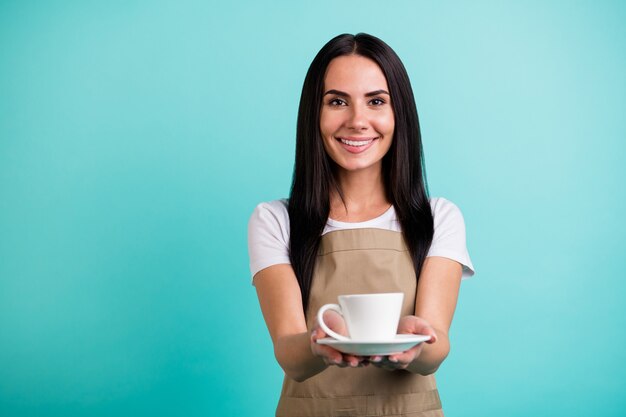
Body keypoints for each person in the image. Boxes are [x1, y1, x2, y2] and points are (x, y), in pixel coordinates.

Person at [248, 33, 474, 417]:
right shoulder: (275, 220)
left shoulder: (438, 218)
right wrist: (320, 343)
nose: (357, 121)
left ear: (398, 113)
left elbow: (436, 352)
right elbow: (290, 353)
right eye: (337, 101)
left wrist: (415, 339)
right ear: (313, 114)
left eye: (376, 101)